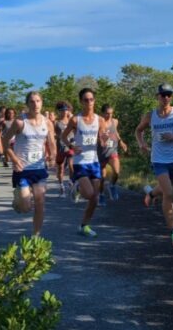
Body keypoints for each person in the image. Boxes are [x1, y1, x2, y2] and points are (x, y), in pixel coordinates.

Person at [135, 83, 173, 248]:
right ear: (158, 96)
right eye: (163, 95)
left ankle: (151, 194)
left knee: (163, 189)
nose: (166, 97)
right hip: (158, 159)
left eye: (169, 94)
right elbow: (138, 130)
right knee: (169, 193)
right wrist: (141, 144)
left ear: (172, 97)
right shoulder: (150, 116)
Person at [2, 92, 56, 236]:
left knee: (40, 202)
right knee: (25, 207)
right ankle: (18, 200)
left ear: (42, 102)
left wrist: (52, 156)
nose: (36, 104)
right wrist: (13, 159)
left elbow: (51, 142)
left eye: (38, 101)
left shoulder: (47, 122)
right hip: (23, 169)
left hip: (39, 168)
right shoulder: (20, 122)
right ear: (27, 104)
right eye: (32, 102)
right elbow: (4, 142)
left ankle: (36, 235)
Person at [60, 88, 108, 237]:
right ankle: (77, 187)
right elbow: (63, 137)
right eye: (86, 100)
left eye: (91, 99)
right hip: (80, 162)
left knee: (95, 197)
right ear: (81, 102)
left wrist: (105, 140)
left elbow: (103, 139)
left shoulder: (100, 120)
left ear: (94, 101)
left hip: (94, 161)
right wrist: (71, 146)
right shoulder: (76, 119)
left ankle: (84, 226)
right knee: (89, 194)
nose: (89, 102)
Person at [97, 104, 127, 205]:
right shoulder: (97, 123)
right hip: (100, 153)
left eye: (111, 113)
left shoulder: (115, 121)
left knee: (117, 171)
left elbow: (116, 133)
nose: (109, 115)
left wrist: (121, 142)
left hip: (112, 150)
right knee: (102, 177)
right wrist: (100, 138)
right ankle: (101, 195)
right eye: (107, 113)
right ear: (102, 113)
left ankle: (112, 186)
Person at [54, 101, 75, 197]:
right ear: (59, 112)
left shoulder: (72, 121)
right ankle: (61, 185)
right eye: (62, 110)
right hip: (60, 147)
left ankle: (70, 181)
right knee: (61, 168)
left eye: (66, 110)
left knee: (71, 165)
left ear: (68, 111)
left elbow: (77, 131)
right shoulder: (56, 123)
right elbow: (54, 135)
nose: (64, 112)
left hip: (70, 146)